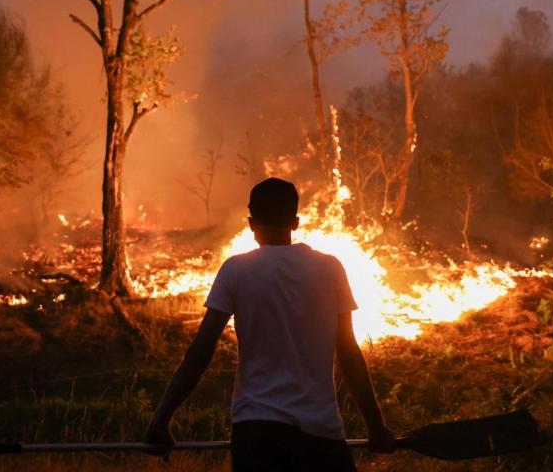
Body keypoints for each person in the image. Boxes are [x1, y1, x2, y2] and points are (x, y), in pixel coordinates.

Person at [145, 177, 397, 471]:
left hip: (256, 433)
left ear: (251, 224)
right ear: (296, 221)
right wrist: (376, 427)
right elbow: (349, 353)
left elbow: (201, 352)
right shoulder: (330, 268)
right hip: (319, 434)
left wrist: (161, 420)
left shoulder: (235, 270)